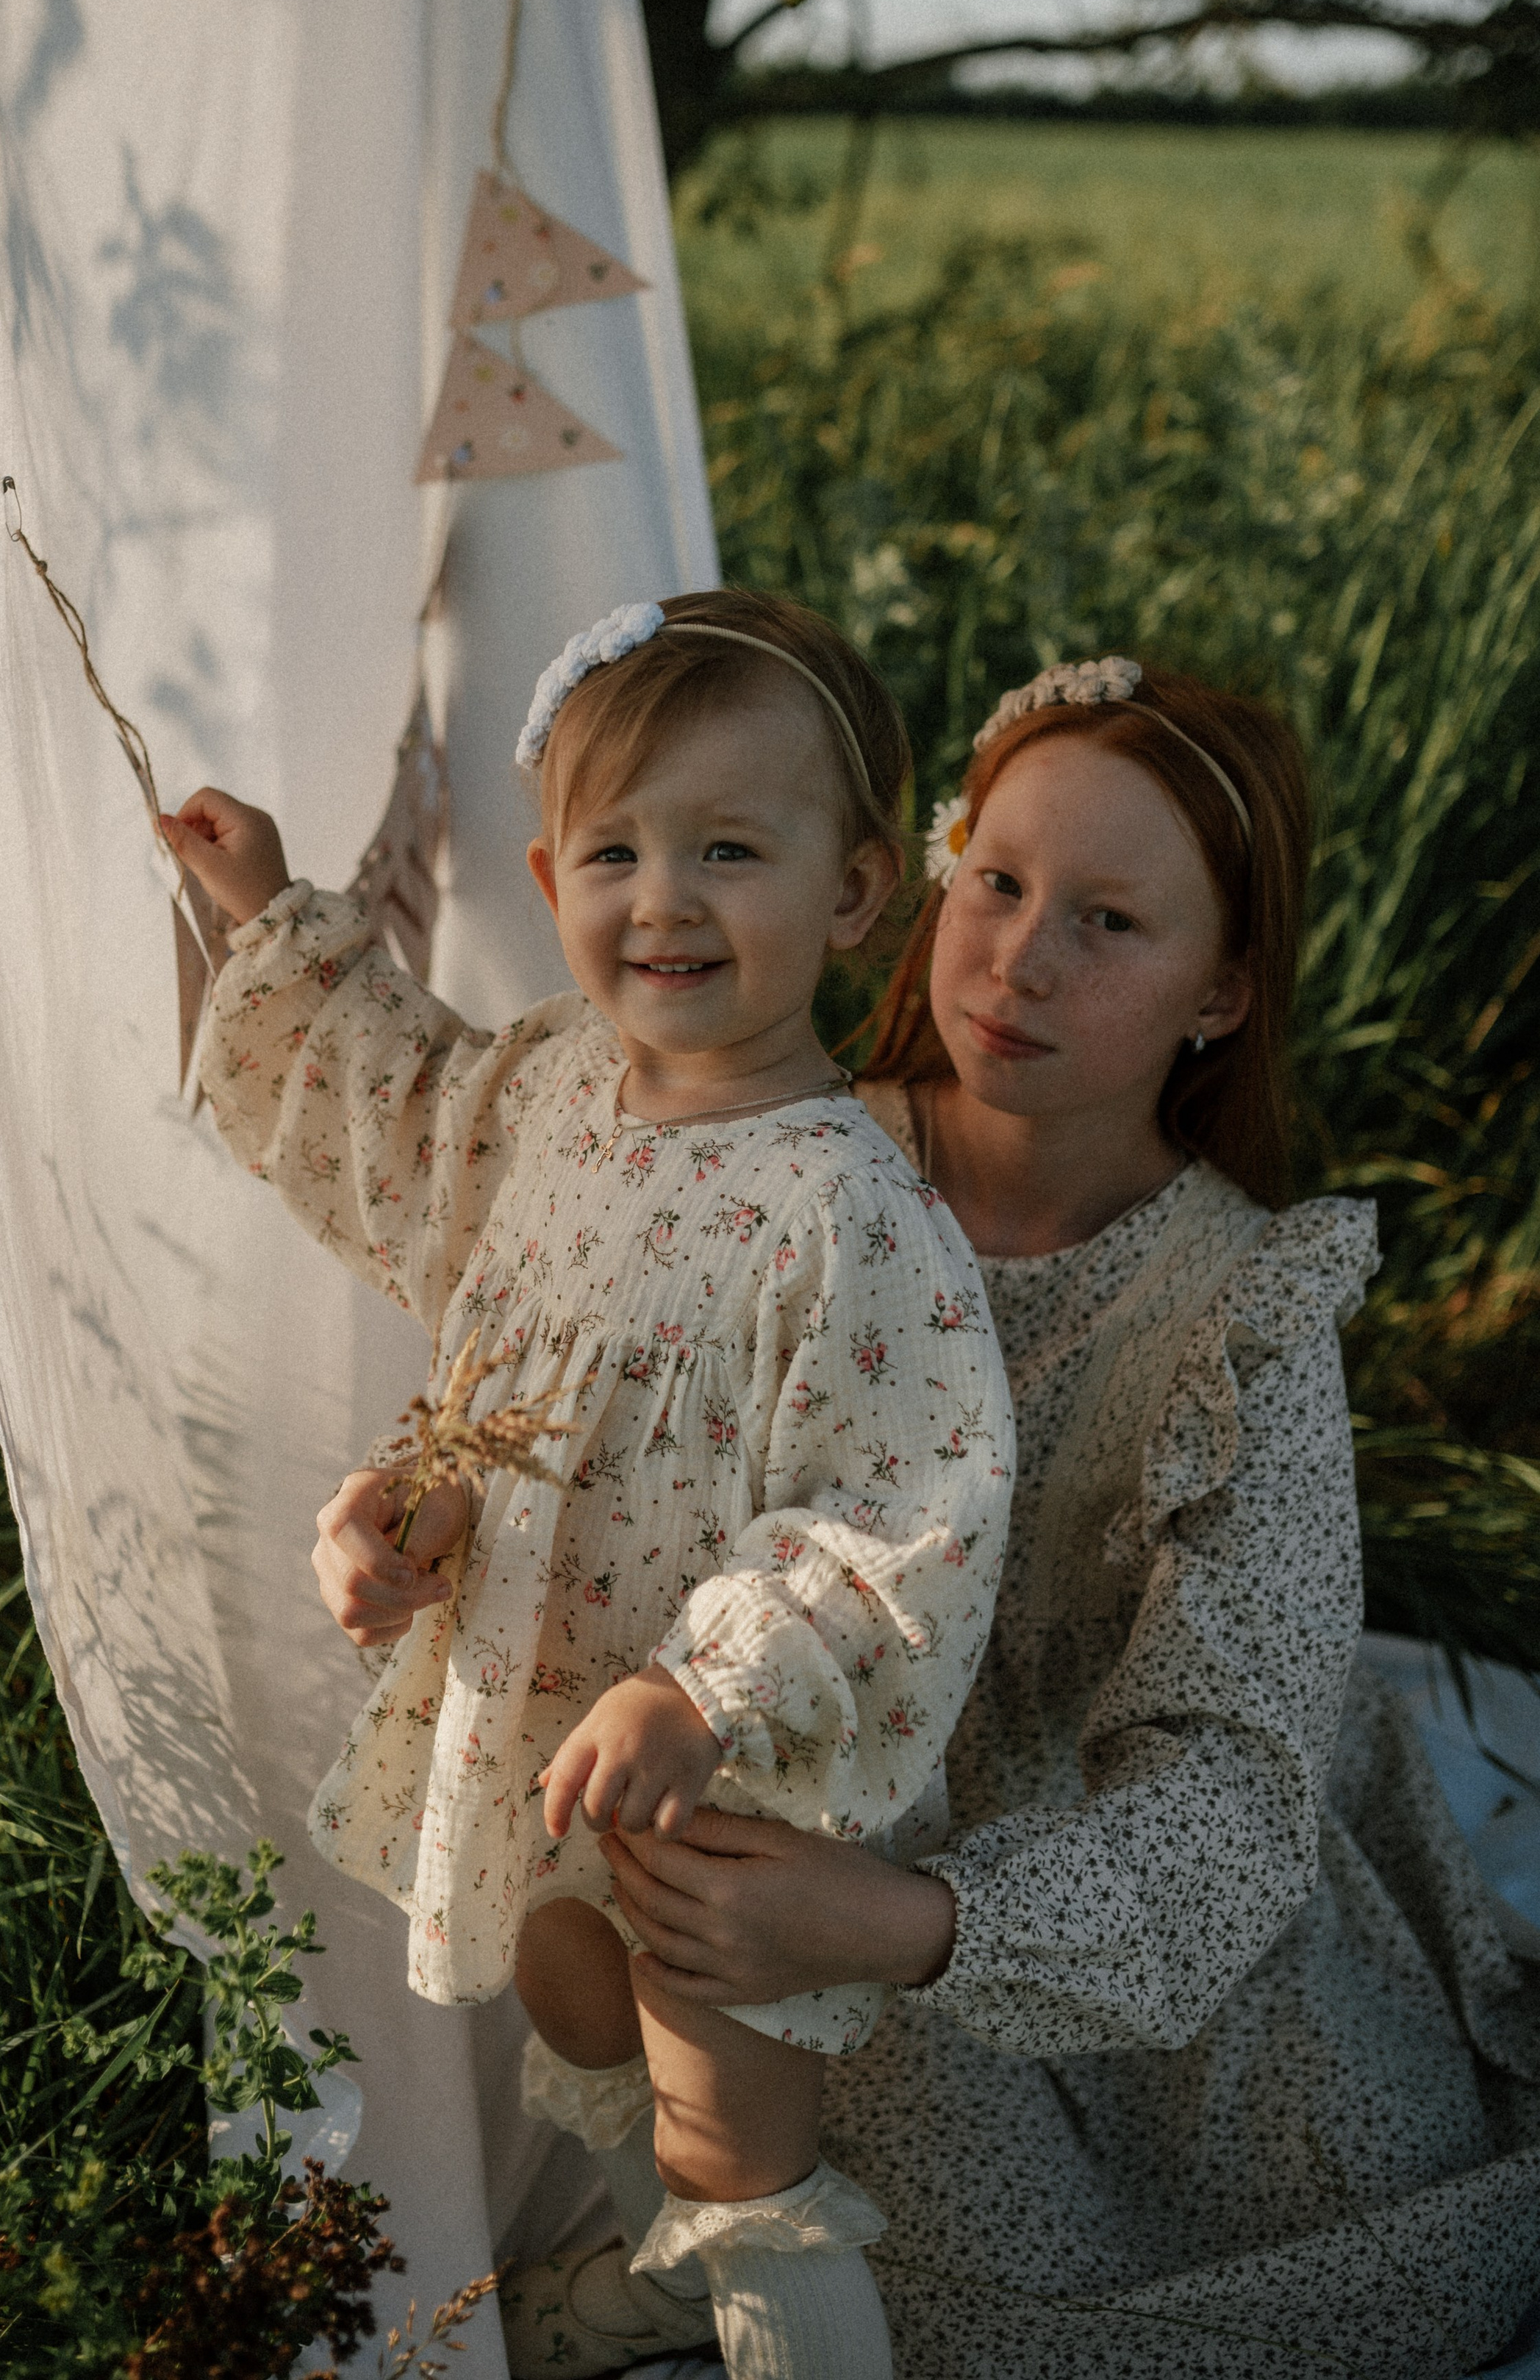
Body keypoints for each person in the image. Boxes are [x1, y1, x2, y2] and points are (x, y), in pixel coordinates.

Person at [554, 652, 1540, 2380]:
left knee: (1359, 2234)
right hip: (794, 1763)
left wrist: (903, 1923)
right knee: (814, 2151)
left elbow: (1232, 1790)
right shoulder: (783, 1158)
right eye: (995, 883)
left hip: (1061, 1874)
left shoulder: (1233, 1314)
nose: (1016, 958)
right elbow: (585, 1427)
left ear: (1217, 995)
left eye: (1108, 923)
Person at [163, 590, 1017, 2380]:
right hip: (543, 1716)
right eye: (615, 850)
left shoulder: (841, 1204)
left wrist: (703, 1685)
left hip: (729, 1783)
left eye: (728, 848)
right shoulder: (553, 1096)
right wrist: (411, 1510)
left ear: (855, 891)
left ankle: (774, 2302)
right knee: (572, 1998)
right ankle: (666, 2278)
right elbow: (413, 1149)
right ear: (551, 881)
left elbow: (899, 1506)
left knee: (732, 2127)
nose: (665, 898)